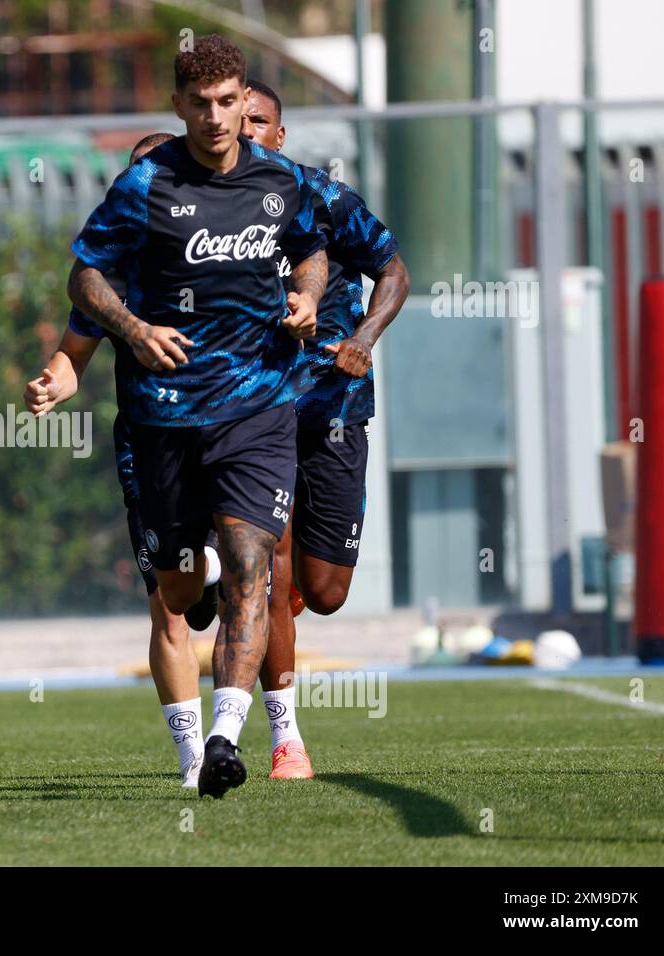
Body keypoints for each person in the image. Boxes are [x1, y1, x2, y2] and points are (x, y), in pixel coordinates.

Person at [67, 35, 328, 798]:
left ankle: (224, 739)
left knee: (255, 563)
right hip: (165, 416)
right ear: (179, 106)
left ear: (246, 102)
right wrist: (135, 329)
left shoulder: (283, 181)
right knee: (180, 592)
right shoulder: (145, 184)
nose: (216, 118)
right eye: (200, 104)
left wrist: (308, 294)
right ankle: (198, 577)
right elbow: (85, 274)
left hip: (259, 406)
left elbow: (310, 246)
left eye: (229, 103)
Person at [26, 131, 221, 789]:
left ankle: (249, 738)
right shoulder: (108, 280)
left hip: (233, 436)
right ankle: (192, 757)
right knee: (173, 605)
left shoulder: (229, 252)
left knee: (258, 572)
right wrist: (53, 381)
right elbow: (74, 355)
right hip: (148, 445)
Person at [241, 80, 410, 779]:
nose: (244, 128)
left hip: (336, 408)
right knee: (269, 572)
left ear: (281, 134)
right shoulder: (194, 209)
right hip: (252, 410)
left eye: (259, 120)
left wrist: (365, 336)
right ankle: (287, 739)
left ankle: (283, 595)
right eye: (233, 115)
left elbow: (393, 270)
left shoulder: (322, 197)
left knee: (327, 589)